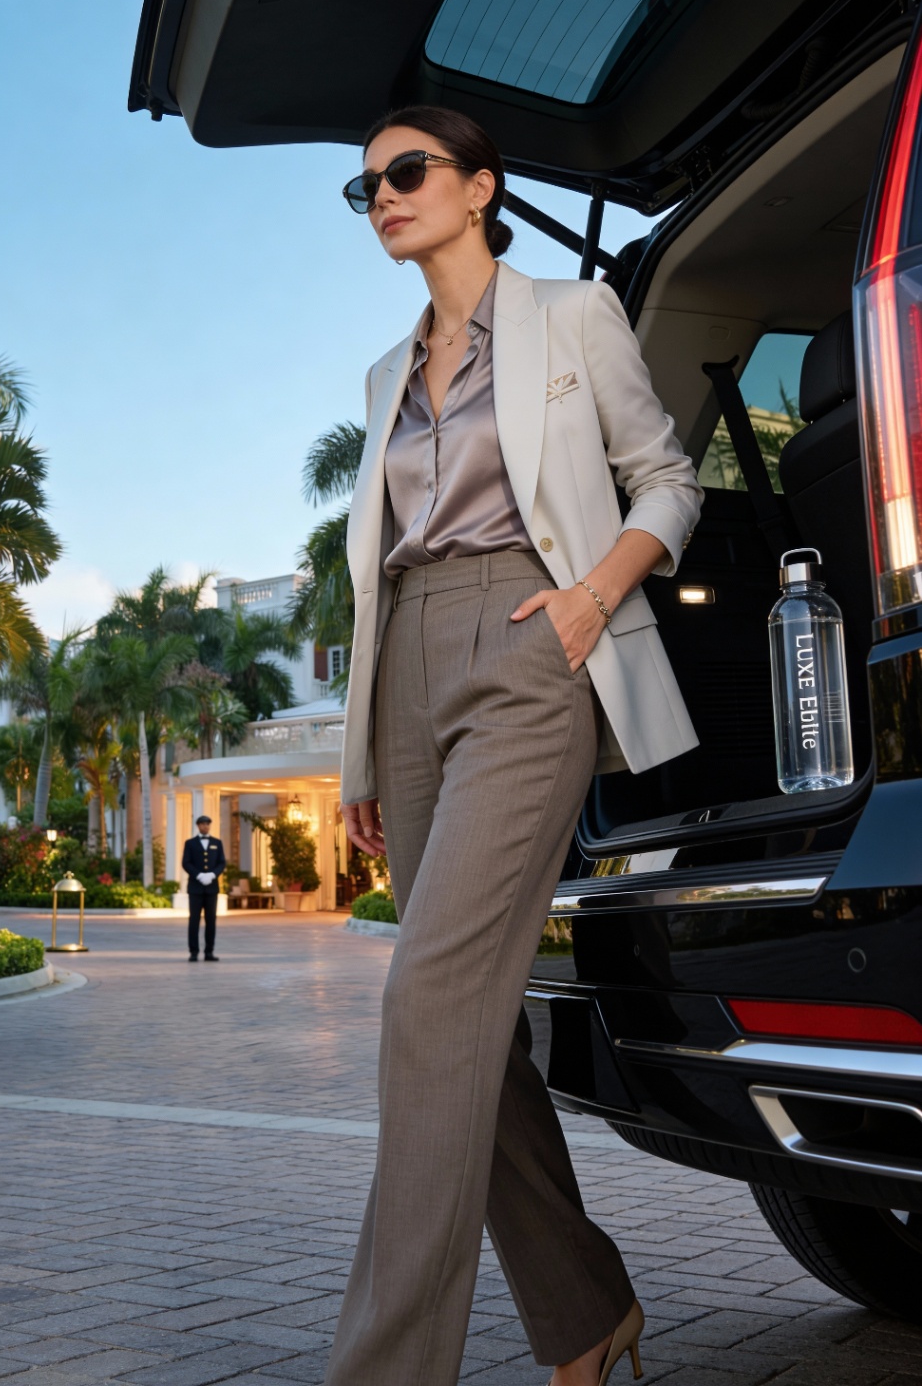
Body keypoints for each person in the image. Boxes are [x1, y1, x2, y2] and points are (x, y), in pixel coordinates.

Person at [327, 107, 703, 1386]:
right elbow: (377, 580)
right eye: (366, 184)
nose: (384, 195)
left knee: (427, 999)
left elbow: (669, 479)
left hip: (535, 638)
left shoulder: (573, 314)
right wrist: (361, 757)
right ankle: (586, 1314)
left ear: (482, 186)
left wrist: (595, 597)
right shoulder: (385, 378)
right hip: (409, 677)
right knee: (464, 1029)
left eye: (408, 171)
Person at [182, 814, 226, 962]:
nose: (205, 826)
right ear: (198, 826)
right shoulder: (190, 843)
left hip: (211, 888)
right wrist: (199, 875)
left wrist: (213, 874)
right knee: (194, 920)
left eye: (207, 824)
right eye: (202, 824)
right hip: (195, 888)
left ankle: (209, 951)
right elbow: (186, 863)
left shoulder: (217, 843)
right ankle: (193, 951)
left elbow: (221, 862)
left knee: (211, 921)